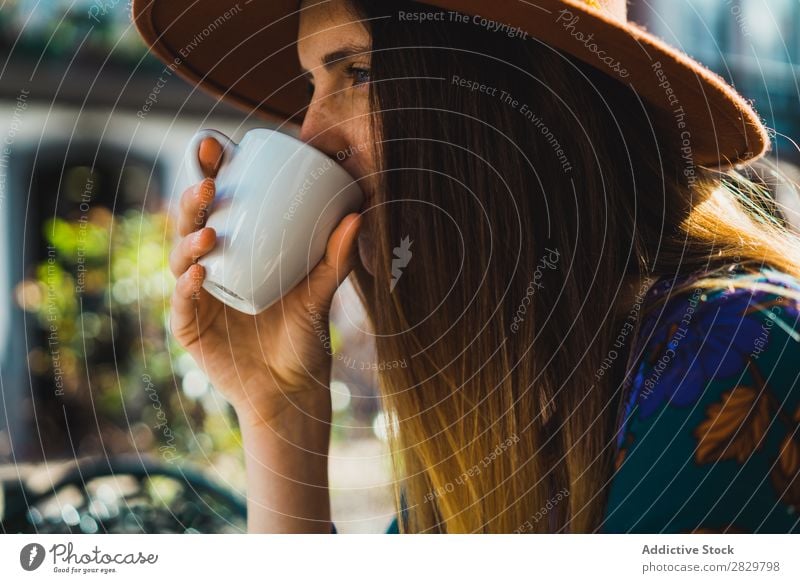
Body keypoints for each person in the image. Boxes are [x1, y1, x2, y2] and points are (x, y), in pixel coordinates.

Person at [133, 0, 800, 533]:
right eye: (312, 85)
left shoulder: (738, 350)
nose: (308, 134)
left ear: (513, 95)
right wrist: (278, 412)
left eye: (356, 73)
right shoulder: (497, 402)